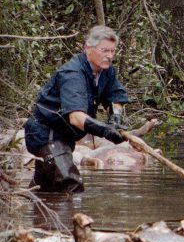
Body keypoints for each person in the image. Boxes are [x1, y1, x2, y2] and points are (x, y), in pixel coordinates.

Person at [23, 25, 129, 193]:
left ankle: (35, 215)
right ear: (88, 48)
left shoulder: (106, 72)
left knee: (44, 189)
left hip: (64, 137)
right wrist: (106, 131)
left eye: (112, 51)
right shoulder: (72, 74)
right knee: (70, 185)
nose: (109, 56)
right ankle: (76, 219)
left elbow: (116, 97)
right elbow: (76, 118)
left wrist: (116, 116)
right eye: (104, 51)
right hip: (46, 135)